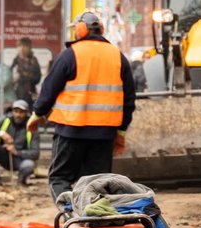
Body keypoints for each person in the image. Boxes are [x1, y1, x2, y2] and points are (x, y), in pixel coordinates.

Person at [31, 11, 136, 200]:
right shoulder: (118, 57)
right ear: (101, 30)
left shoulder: (70, 55)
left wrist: (37, 114)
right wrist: (121, 132)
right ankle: (93, 216)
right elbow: (128, 100)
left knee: (59, 178)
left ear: (80, 29)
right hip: (104, 134)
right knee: (98, 184)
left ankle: (69, 212)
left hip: (71, 131)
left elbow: (49, 89)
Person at [0, 100, 40, 186]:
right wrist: (0, 133)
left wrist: (17, 152)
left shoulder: (32, 127)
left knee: (29, 165)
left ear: (26, 113)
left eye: (21, 112)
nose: (18, 115)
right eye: (16, 111)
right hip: (4, 155)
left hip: (20, 159)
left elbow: (35, 153)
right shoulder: (5, 119)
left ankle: (21, 181)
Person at [11, 37, 42, 104]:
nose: (22, 48)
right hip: (17, 94)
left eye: (24, 46)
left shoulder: (34, 61)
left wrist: (22, 77)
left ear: (29, 48)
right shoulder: (15, 61)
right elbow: (10, 79)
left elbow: (37, 78)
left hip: (30, 94)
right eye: (19, 46)